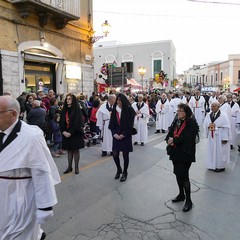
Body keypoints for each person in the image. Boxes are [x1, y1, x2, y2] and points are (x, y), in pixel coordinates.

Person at [0, 96, 61, 240]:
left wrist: (45, 206)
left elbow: (41, 171)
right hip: (2, 197)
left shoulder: (31, 136)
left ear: (13, 113)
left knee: (19, 235)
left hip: (20, 197)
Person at [165, 103, 199, 212]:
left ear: (186, 112)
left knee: (184, 176)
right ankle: (181, 194)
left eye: (180, 111)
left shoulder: (191, 123)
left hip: (186, 153)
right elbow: (170, 132)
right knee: (177, 173)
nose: (178, 112)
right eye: (178, 110)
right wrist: (168, 140)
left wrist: (173, 140)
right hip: (175, 152)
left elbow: (187, 137)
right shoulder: (177, 121)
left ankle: (188, 200)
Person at [108, 93, 136, 182]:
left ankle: (125, 172)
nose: (119, 102)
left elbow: (130, 124)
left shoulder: (129, 110)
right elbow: (112, 124)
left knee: (125, 155)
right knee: (115, 154)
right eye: (118, 100)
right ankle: (119, 169)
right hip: (116, 135)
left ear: (123, 101)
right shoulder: (114, 110)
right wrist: (114, 133)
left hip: (126, 135)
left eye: (120, 100)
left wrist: (123, 134)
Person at [59, 93, 84, 174]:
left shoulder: (77, 109)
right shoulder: (64, 109)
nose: (68, 100)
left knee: (76, 150)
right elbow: (61, 122)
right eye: (67, 99)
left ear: (73, 100)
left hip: (75, 133)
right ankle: (69, 166)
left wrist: (71, 132)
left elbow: (78, 122)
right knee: (69, 150)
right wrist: (63, 131)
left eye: (69, 99)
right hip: (66, 133)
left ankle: (76, 167)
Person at [203, 101, 231, 172]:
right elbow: (205, 124)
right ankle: (211, 165)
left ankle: (220, 166)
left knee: (220, 151)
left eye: (214, 106)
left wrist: (225, 138)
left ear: (218, 107)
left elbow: (226, 127)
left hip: (220, 135)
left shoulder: (223, 115)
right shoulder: (209, 114)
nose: (212, 108)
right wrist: (208, 126)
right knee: (211, 150)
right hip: (211, 136)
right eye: (211, 106)